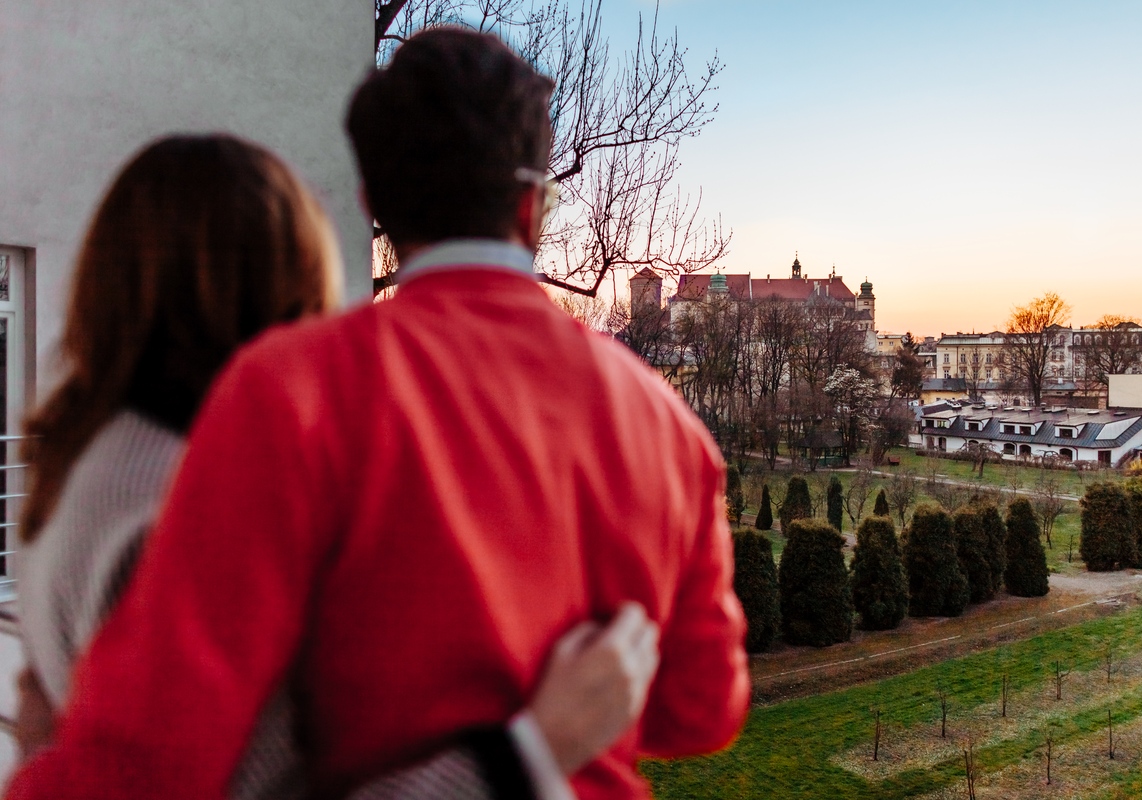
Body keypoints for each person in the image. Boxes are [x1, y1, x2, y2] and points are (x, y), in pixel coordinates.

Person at [6, 27, 749, 800]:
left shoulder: (290, 390)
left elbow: (148, 763)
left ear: (375, 203)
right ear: (532, 209)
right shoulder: (669, 426)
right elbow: (702, 707)